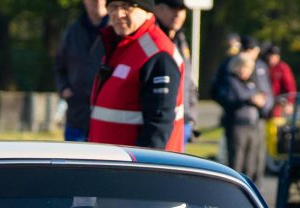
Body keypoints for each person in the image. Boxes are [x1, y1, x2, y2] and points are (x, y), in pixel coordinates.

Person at [88, 1, 184, 152]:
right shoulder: (122, 45)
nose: (118, 14)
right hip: (112, 165)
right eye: (113, 7)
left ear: (148, 11)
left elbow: (158, 127)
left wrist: (141, 171)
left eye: (127, 6)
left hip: (133, 170)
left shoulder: (157, 54)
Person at [55, 1, 107, 142]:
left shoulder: (116, 29)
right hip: (76, 113)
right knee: (74, 159)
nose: (97, 2)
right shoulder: (73, 30)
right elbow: (60, 65)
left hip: (106, 114)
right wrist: (64, 88)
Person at [213, 54, 267, 182]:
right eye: (244, 68)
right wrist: (250, 99)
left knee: (250, 162)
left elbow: (259, 95)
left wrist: (260, 101)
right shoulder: (230, 81)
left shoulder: (251, 82)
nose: (246, 71)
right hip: (237, 125)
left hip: (252, 125)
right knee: (237, 161)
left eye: (248, 69)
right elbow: (232, 98)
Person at [153, 0, 198, 146]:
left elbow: (189, 82)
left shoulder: (181, 39)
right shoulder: (152, 39)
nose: (178, 14)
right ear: (158, 9)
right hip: (158, 121)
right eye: (172, 8)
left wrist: (191, 116)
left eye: (182, 10)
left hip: (182, 120)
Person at [263, 44, 297, 118]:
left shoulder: (282, 68)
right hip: (265, 101)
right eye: (271, 56)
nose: (272, 58)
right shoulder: (263, 67)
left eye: (275, 56)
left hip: (277, 103)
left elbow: (290, 86)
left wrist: (290, 103)